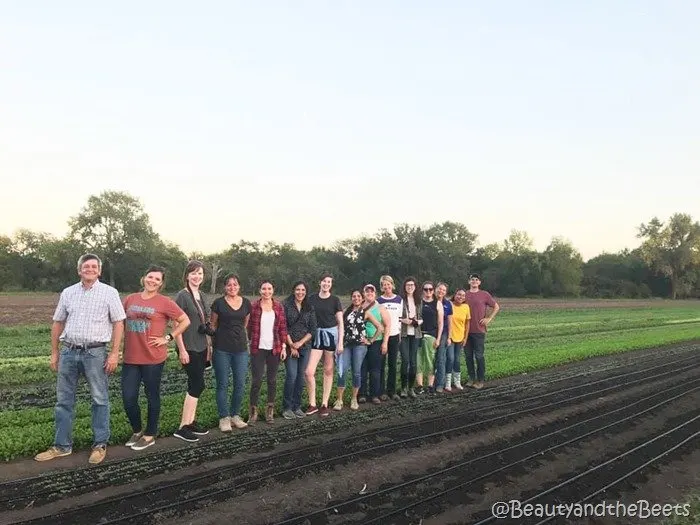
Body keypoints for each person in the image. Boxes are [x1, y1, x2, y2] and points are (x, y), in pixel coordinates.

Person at [35, 253, 126, 465]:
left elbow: (119, 323)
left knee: (99, 399)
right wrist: (55, 352)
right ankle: (62, 446)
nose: (90, 269)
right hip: (69, 352)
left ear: (99, 271)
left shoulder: (109, 293)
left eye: (94, 266)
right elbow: (58, 323)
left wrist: (114, 353)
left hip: (95, 353)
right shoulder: (68, 293)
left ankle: (99, 444)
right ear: (79, 270)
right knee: (63, 401)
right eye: (86, 266)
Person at [121, 265, 190, 450]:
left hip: (153, 358)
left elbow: (185, 320)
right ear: (144, 278)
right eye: (150, 277)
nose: (152, 281)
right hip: (130, 358)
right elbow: (118, 321)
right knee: (128, 397)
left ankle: (150, 434)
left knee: (152, 396)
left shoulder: (164, 302)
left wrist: (168, 338)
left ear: (161, 284)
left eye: (157, 279)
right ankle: (137, 430)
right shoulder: (130, 299)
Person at [173, 260, 212, 443]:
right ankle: (183, 427)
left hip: (202, 346)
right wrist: (181, 350)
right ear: (187, 275)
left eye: (200, 274)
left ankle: (191, 422)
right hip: (188, 347)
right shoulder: (182, 296)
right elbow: (176, 323)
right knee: (197, 385)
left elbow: (204, 320)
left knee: (195, 384)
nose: (197, 277)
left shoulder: (202, 295)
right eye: (194, 273)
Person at [210, 273, 252, 432]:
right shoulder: (218, 304)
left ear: (239, 286)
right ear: (224, 287)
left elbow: (244, 324)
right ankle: (224, 417)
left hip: (240, 349)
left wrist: (245, 341)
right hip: (222, 349)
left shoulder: (246, 303)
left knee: (240, 384)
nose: (232, 287)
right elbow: (213, 325)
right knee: (222, 384)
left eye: (235, 284)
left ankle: (235, 415)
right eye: (229, 285)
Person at [247, 280, 288, 423]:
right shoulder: (254, 307)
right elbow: (248, 327)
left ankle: (270, 409)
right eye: (264, 289)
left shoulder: (278, 307)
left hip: (274, 348)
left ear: (273, 290)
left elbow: (283, 328)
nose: (266, 291)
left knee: (272, 380)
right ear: (260, 291)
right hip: (258, 348)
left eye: (269, 289)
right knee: (256, 380)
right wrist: (248, 342)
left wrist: (283, 347)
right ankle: (253, 411)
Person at [335, 289, 383, 410]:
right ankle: (339, 399)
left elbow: (380, 327)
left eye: (358, 296)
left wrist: (370, 340)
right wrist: (338, 341)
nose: (356, 298)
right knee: (342, 370)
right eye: (353, 296)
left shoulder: (365, 312)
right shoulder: (346, 311)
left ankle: (354, 399)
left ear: (362, 299)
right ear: (351, 298)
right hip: (346, 345)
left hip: (359, 346)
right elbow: (338, 325)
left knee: (357, 372)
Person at [306, 273, 344, 417]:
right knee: (309, 372)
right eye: (324, 281)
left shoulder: (335, 300)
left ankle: (324, 404)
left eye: (329, 282)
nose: (326, 284)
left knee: (328, 370)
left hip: (331, 336)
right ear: (320, 282)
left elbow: (340, 322)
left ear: (331, 284)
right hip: (316, 337)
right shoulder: (312, 299)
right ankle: (312, 404)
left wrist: (340, 342)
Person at [282, 281, 317, 420]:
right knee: (291, 375)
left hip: (305, 347)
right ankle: (287, 407)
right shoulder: (286, 305)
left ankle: (297, 406)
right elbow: (283, 327)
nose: (300, 292)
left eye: (303, 290)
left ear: (306, 291)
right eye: (297, 289)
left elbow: (312, 329)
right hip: (290, 344)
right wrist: (291, 345)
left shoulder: (309, 307)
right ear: (293, 290)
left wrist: (300, 343)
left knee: (300, 377)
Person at [464, 273, 500, 389]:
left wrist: (489, 318)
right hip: (465, 331)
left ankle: (480, 380)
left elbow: (496, 307)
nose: (474, 281)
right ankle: (471, 378)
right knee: (468, 356)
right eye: (472, 279)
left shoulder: (484, 294)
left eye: (476, 280)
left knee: (479, 356)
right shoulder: (464, 294)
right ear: (469, 282)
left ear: (479, 282)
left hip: (479, 330)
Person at [360, 283, 391, 404]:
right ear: (364, 293)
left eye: (371, 292)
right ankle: (362, 394)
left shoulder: (381, 308)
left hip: (376, 341)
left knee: (375, 369)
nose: (369, 293)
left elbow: (387, 325)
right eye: (367, 291)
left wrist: (385, 343)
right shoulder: (359, 306)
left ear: (375, 293)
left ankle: (374, 394)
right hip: (362, 342)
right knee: (362, 368)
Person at [373, 275, 402, 401]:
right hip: (382, 337)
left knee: (393, 364)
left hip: (395, 335)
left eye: (388, 284)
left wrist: (400, 334)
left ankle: (392, 391)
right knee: (381, 364)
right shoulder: (379, 300)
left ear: (392, 284)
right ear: (381, 287)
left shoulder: (399, 299)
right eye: (384, 284)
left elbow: (400, 319)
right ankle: (381, 391)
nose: (386, 286)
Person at [414, 281, 443, 394]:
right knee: (418, 361)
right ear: (422, 290)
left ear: (433, 290)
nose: (428, 291)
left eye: (430, 289)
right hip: (418, 335)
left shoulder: (437, 304)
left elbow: (440, 323)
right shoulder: (418, 303)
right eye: (426, 289)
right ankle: (420, 386)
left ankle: (430, 385)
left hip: (431, 335)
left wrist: (439, 338)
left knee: (430, 360)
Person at [399, 276, 422, 398]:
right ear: (404, 287)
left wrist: (417, 322)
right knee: (405, 361)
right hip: (403, 334)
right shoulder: (400, 300)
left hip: (415, 334)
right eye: (408, 285)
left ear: (415, 287)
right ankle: (403, 388)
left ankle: (411, 388)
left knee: (413, 363)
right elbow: (396, 317)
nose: (410, 287)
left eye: (412, 285)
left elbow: (422, 316)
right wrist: (404, 320)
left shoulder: (418, 300)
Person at [445, 288, 470, 392]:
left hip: (460, 337)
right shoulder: (449, 304)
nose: (461, 297)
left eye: (463, 296)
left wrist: (465, 338)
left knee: (457, 360)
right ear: (455, 295)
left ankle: (457, 382)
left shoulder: (466, 307)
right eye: (459, 294)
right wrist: (447, 337)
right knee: (450, 358)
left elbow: (467, 324)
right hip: (450, 337)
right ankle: (447, 383)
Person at [434, 282, 453, 393]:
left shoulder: (448, 304)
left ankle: (440, 384)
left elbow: (450, 322)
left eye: (444, 290)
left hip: (444, 333)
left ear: (446, 292)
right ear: (436, 289)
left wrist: (449, 337)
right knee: (430, 358)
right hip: (431, 332)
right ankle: (428, 384)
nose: (441, 291)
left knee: (441, 358)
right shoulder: (429, 301)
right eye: (439, 289)